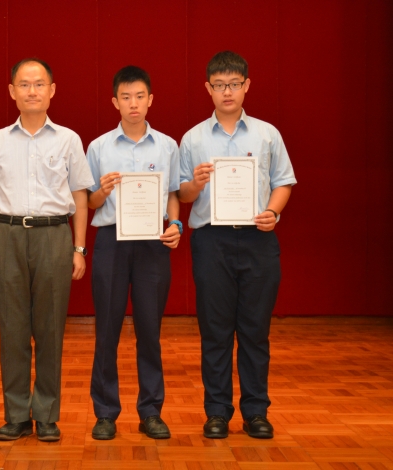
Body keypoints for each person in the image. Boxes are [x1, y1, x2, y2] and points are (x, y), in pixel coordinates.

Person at [178, 51, 296, 439]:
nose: (226, 91)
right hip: (211, 240)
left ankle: (256, 412)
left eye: (233, 84)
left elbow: (283, 182)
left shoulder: (267, 134)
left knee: (254, 330)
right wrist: (196, 183)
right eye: (219, 85)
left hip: (258, 239)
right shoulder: (193, 138)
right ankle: (216, 412)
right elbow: (182, 193)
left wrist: (273, 212)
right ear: (208, 88)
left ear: (246, 86)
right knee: (215, 330)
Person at [0, 58, 94, 442]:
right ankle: (15, 415)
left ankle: (46, 414)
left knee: (49, 329)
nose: (32, 91)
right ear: (12, 92)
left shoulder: (68, 140)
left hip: (53, 236)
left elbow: (80, 195)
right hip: (8, 235)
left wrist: (79, 248)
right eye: (24, 84)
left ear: (52, 90)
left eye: (39, 84)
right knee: (12, 331)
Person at [86, 66, 181, 440]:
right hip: (111, 240)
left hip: (153, 242)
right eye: (125, 97)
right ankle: (105, 412)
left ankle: (151, 411)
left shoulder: (167, 146)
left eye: (140, 96)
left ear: (150, 99)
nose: (133, 103)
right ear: (115, 102)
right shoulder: (99, 147)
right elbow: (88, 202)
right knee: (107, 330)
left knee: (150, 330)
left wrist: (175, 224)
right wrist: (103, 192)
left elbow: (172, 194)